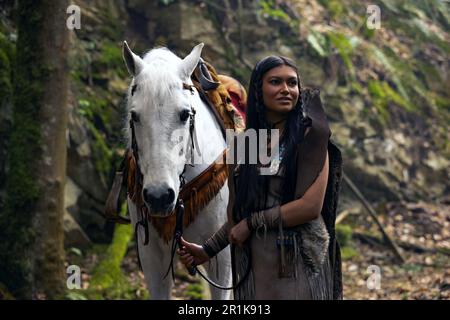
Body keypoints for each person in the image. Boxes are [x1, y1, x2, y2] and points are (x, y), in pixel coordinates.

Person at [177, 55, 343, 300]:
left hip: (297, 264)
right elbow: (237, 216)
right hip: (251, 266)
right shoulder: (245, 144)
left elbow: (310, 206)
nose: (286, 89)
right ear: (258, 90)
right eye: (275, 82)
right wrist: (207, 250)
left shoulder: (310, 138)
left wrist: (252, 223)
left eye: (292, 83)